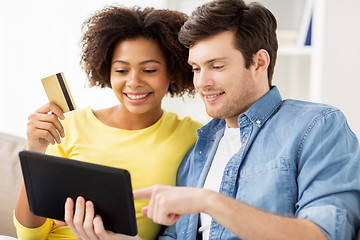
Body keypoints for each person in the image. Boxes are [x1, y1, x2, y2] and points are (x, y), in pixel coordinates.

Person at [132, 0, 360, 239]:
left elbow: (326, 234)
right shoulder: (199, 149)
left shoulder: (318, 126)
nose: (201, 82)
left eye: (217, 66)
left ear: (259, 62)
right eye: (196, 69)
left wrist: (208, 200)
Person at [13, 5, 202, 240]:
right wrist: (36, 154)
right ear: (107, 72)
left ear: (173, 71)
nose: (133, 82)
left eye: (149, 69)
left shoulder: (194, 135)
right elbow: (28, 235)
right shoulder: (68, 125)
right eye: (122, 70)